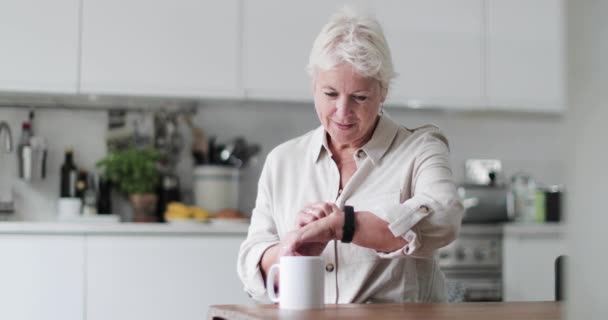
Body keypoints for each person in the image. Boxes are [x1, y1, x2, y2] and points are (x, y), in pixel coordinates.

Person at [237, 7, 464, 304]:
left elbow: (443, 215)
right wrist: (290, 251)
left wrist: (344, 224)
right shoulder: (283, 161)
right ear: (313, 86)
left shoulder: (420, 148)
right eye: (330, 94)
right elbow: (252, 256)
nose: (343, 112)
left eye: (360, 97)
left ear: (383, 92)